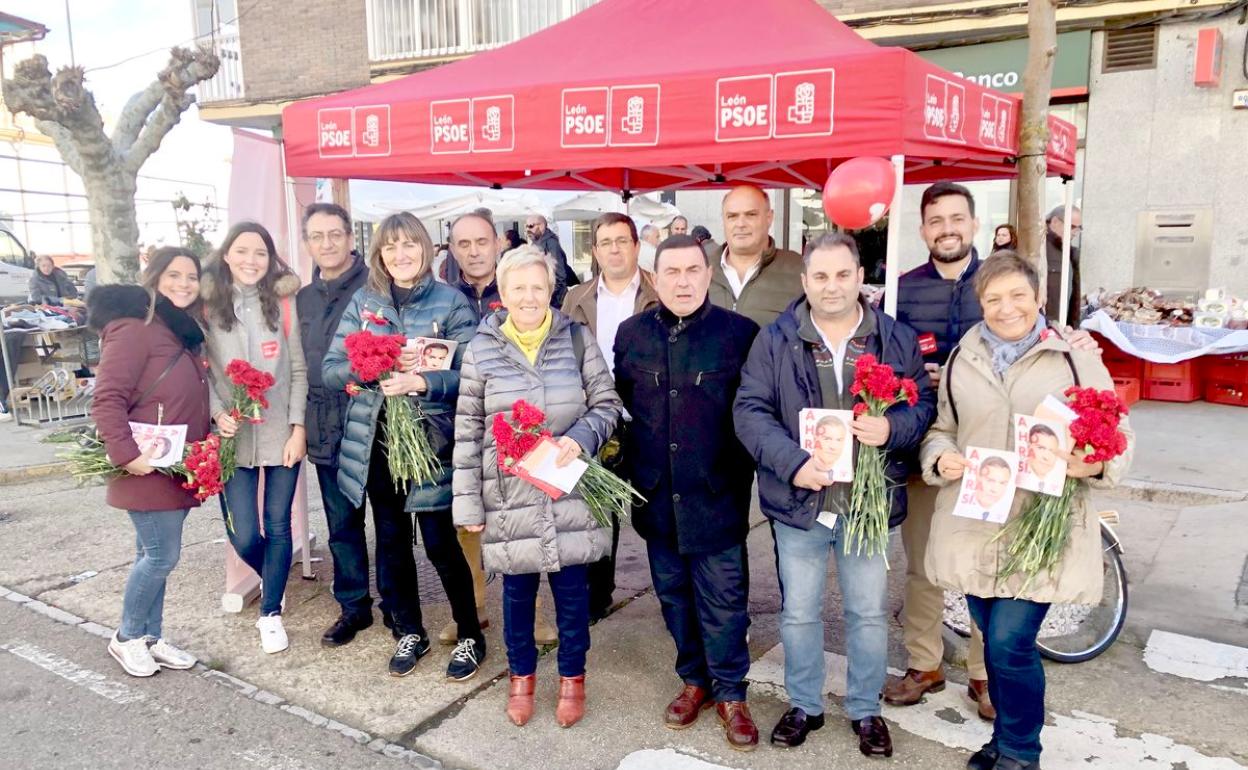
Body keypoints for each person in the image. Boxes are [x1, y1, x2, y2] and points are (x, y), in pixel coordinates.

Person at [920, 251, 1134, 770]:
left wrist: (1088, 464)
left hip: (1042, 522)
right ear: (980, 304)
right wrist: (939, 456)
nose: (1006, 307)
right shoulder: (961, 357)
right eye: (993, 298)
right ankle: (1004, 741)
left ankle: (1021, 752)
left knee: (1012, 641)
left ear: (1038, 297)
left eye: (1018, 295)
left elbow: (1116, 434)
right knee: (991, 642)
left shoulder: (1073, 356)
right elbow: (943, 427)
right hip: (977, 519)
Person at [734, 233, 935, 758]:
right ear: (804, 282)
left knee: (867, 613)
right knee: (799, 611)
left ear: (859, 277)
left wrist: (892, 428)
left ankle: (866, 709)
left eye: (842, 274)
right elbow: (750, 411)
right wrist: (793, 464)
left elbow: (924, 403)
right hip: (801, 501)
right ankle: (805, 703)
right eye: (820, 276)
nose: (831, 286)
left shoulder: (894, 339)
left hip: (867, 505)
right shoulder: (775, 339)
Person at [453, 245, 622, 729]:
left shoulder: (576, 339)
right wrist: (468, 503)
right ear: (502, 294)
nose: (529, 297)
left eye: (539, 287)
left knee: (573, 598)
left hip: (568, 491)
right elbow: (467, 430)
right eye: (519, 288)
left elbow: (608, 405)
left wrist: (579, 439)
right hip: (509, 498)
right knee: (517, 597)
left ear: (553, 291)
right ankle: (521, 679)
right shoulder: (482, 349)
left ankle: (573, 679)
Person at [323, 212, 486, 680]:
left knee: (440, 542)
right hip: (376, 438)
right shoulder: (364, 300)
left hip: (431, 441)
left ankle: (470, 633)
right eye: (390, 247)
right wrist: (368, 367)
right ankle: (409, 630)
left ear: (427, 249)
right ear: (379, 254)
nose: (400, 255)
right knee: (391, 541)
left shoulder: (450, 301)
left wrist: (425, 380)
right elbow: (332, 368)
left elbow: (472, 374)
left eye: (409, 245)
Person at [614, 234, 760, 750]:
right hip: (655, 496)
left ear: (707, 274)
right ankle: (694, 680)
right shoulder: (631, 335)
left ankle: (731, 693)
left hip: (716, 494)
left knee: (723, 599)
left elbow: (755, 413)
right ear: (654, 278)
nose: (682, 281)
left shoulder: (740, 334)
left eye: (692, 270)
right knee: (674, 597)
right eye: (670, 271)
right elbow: (621, 409)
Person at [887, 181, 992, 716]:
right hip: (922, 443)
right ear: (923, 228)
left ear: (974, 224)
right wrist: (913, 381)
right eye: (936, 220)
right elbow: (885, 368)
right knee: (924, 560)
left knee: (983, 562)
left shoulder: (1000, 284)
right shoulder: (901, 291)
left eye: (957, 218)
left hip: (987, 447)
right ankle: (924, 662)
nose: (947, 228)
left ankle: (982, 672)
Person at [89, 247, 211, 678]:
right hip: (147, 463)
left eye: (191, 276)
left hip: (175, 462)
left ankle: (150, 637)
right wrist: (128, 455)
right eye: (173, 275)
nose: (183, 283)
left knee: (154, 554)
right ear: (154, 279)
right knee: (160, 556)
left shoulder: (178, 329)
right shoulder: (135, 327)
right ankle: (126, 637)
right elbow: (107, 398)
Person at [201, 222, 307, 655]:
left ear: (270, 259)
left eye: (260, 252)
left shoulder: (283, 303)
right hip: (233, 437)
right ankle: (274, 575)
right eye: (242, 251)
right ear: (226, 255)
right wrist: (217, 413)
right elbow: (201, 372)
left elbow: (299, 370)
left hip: (281, 433)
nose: (250, 260)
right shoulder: (207, 308)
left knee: (279, 525)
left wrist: (298, 428)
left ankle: (271, 614)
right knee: (245, 533)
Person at [561, 211, 660, 622]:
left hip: (651, 416)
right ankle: (597, 594)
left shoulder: (660, 291)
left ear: (636, 245)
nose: (615, 249)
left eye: (623, 240)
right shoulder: (575, 298)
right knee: (597, 507)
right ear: (595, 251)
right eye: (606, 242)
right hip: (597, 417)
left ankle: (670, 595)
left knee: (655, 507)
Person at [294, 202, 372, 648]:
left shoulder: (374, 287)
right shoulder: (303, 298)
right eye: (317, 236)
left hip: (370, 416)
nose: (327, 243)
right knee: (342, 523)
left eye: (335, 234)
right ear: (308, 242)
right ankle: (354, 606)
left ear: (350, 238)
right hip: (324, 422)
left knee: (395, 524)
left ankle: (402, 608)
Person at [709, 185, 804, 328]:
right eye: (732, 216)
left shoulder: (799, 270)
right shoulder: (700, 270)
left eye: (751, 215)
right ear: (723, 220)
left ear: (769, 218)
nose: (740, 224)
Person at [450, 212, 503, 318]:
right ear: (453, 251)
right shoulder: (443, 301)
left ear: (497, 245)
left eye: (482, 243)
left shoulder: (520, 296)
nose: (474, 252)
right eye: (464, 245)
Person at [1045, 205, 1082, 329]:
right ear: (1055, 221)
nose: (1075, 232)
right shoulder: (1039, 248)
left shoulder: (1068, 251)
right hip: (1043, 327)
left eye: (1078, 228)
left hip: (1061, 326)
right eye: (1072, 227)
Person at [525, 214, 573, 304]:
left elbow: (560, 276)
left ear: (542, 226)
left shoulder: (551, 243)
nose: (528, 230)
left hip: (555, 301)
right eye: (526, 226)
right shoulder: (536, 243)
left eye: (531, 226)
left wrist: (546, 296)